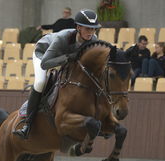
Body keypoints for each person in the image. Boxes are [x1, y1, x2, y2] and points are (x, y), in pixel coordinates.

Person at [13, 9, 100, 139]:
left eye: (93, 29)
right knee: (40, 82)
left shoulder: (93, 39)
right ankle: (27, 124)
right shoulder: (63, 38)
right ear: (78, 27)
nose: (91, 33)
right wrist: (68, 57)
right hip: (43, 54)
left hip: (64, 58)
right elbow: (45, 63)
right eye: (87, 29)